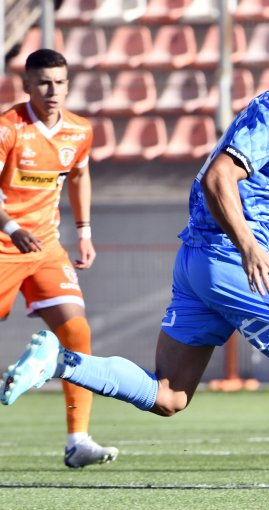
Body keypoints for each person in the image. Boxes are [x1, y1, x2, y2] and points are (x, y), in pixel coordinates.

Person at [0, 32, 269, 510]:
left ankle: (58, 362)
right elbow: (220, 176)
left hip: (201, 260)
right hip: (228, 257)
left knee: (169, 394)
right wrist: (249, 248)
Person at [0, 48, 118, 468]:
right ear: (27, 85)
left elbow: (81, 175)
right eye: (44, 82)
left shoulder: (79, 130)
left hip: (47, 247)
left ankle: (77, 440)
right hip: (4, 245)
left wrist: (84, 232)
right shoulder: (8, 129)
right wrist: (12, 228)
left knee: (77, 332)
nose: (53, 91)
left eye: (60, 82)